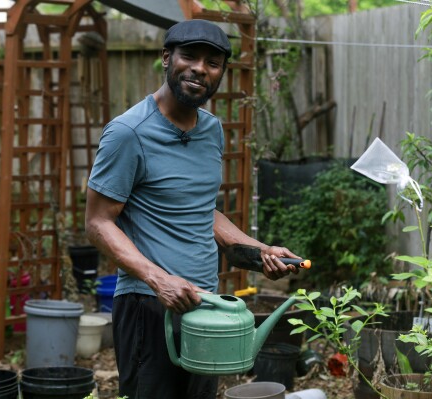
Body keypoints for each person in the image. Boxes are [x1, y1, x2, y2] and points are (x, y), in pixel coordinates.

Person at [85, 19, 301, 399]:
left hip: (206, 306)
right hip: (148, 307)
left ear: (221, 72)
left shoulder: (212, 130)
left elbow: (201, 210)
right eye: (190, 56)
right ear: (167, 58)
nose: (200, 68)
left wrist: (260, 250)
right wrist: (158, 279)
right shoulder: (128, 133)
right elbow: (99, 222)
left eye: (213, 62)